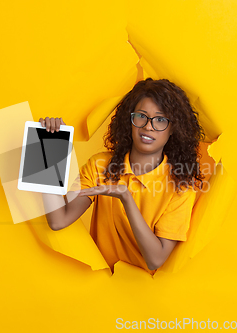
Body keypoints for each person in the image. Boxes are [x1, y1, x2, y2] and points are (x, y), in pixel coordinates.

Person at [40, 78, 205, 275]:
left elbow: (155, 260)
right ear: (130, 120)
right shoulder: (100, 166)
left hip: (141, 294)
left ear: (173, 130)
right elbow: (58, 220)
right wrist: (51, 146)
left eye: (160, 120)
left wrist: (126, 198)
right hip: (96, 285)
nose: (148, 126)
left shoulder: (181, 188)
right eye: (141, 116)